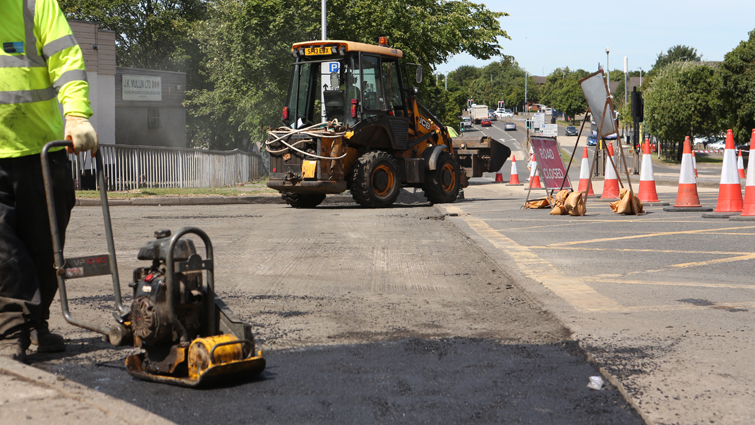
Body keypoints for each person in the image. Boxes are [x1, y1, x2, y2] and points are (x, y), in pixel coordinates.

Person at [0, 0, 98, 362]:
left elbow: (67, 61)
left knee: (46, 249)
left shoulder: (34, 4)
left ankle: (34, 322)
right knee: (6, 253)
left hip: (41, 150)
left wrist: (75, 115)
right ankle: (11, 330)